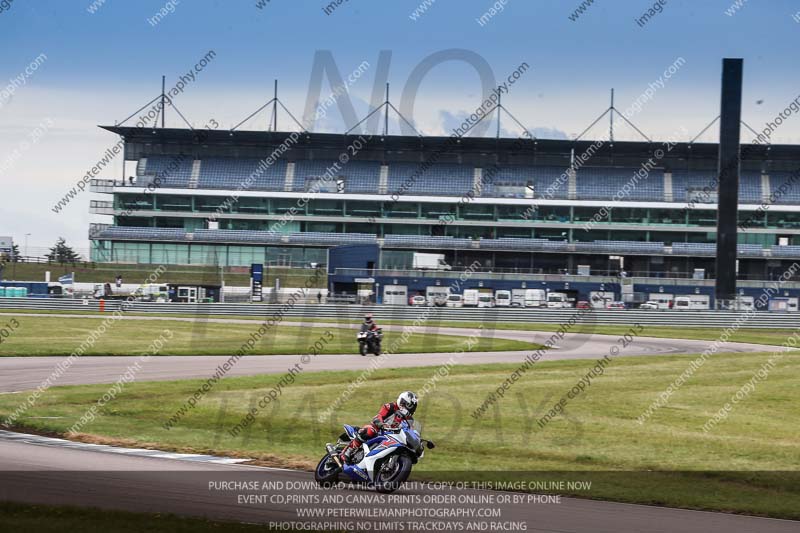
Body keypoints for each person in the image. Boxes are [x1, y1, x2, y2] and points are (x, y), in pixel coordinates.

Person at [340, 391, 418, 464]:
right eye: (407, 405)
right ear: (401, 402)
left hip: (392, 437)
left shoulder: (408, 420)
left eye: (411, 407)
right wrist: (381, 424)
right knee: (370, 430)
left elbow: (410, 430)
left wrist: (418, 442)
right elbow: (379, 416)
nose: (408, 409)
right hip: (379, 430)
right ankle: (348, 451)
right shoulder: (391, 407)